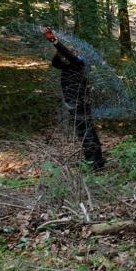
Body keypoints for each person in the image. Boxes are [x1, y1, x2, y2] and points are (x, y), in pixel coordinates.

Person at [42, 27, 104, 169]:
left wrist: (51, 37)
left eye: (72, 53)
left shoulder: (77, 64)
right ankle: (95, 160)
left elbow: (65, 52)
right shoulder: (68, 68)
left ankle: (94, 162)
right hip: (76, 105)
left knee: (86, 132)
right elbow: (57, 60)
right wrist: (58, 49)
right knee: (86, 132)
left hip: (79, 104)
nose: (74, 53)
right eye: (70, 53)